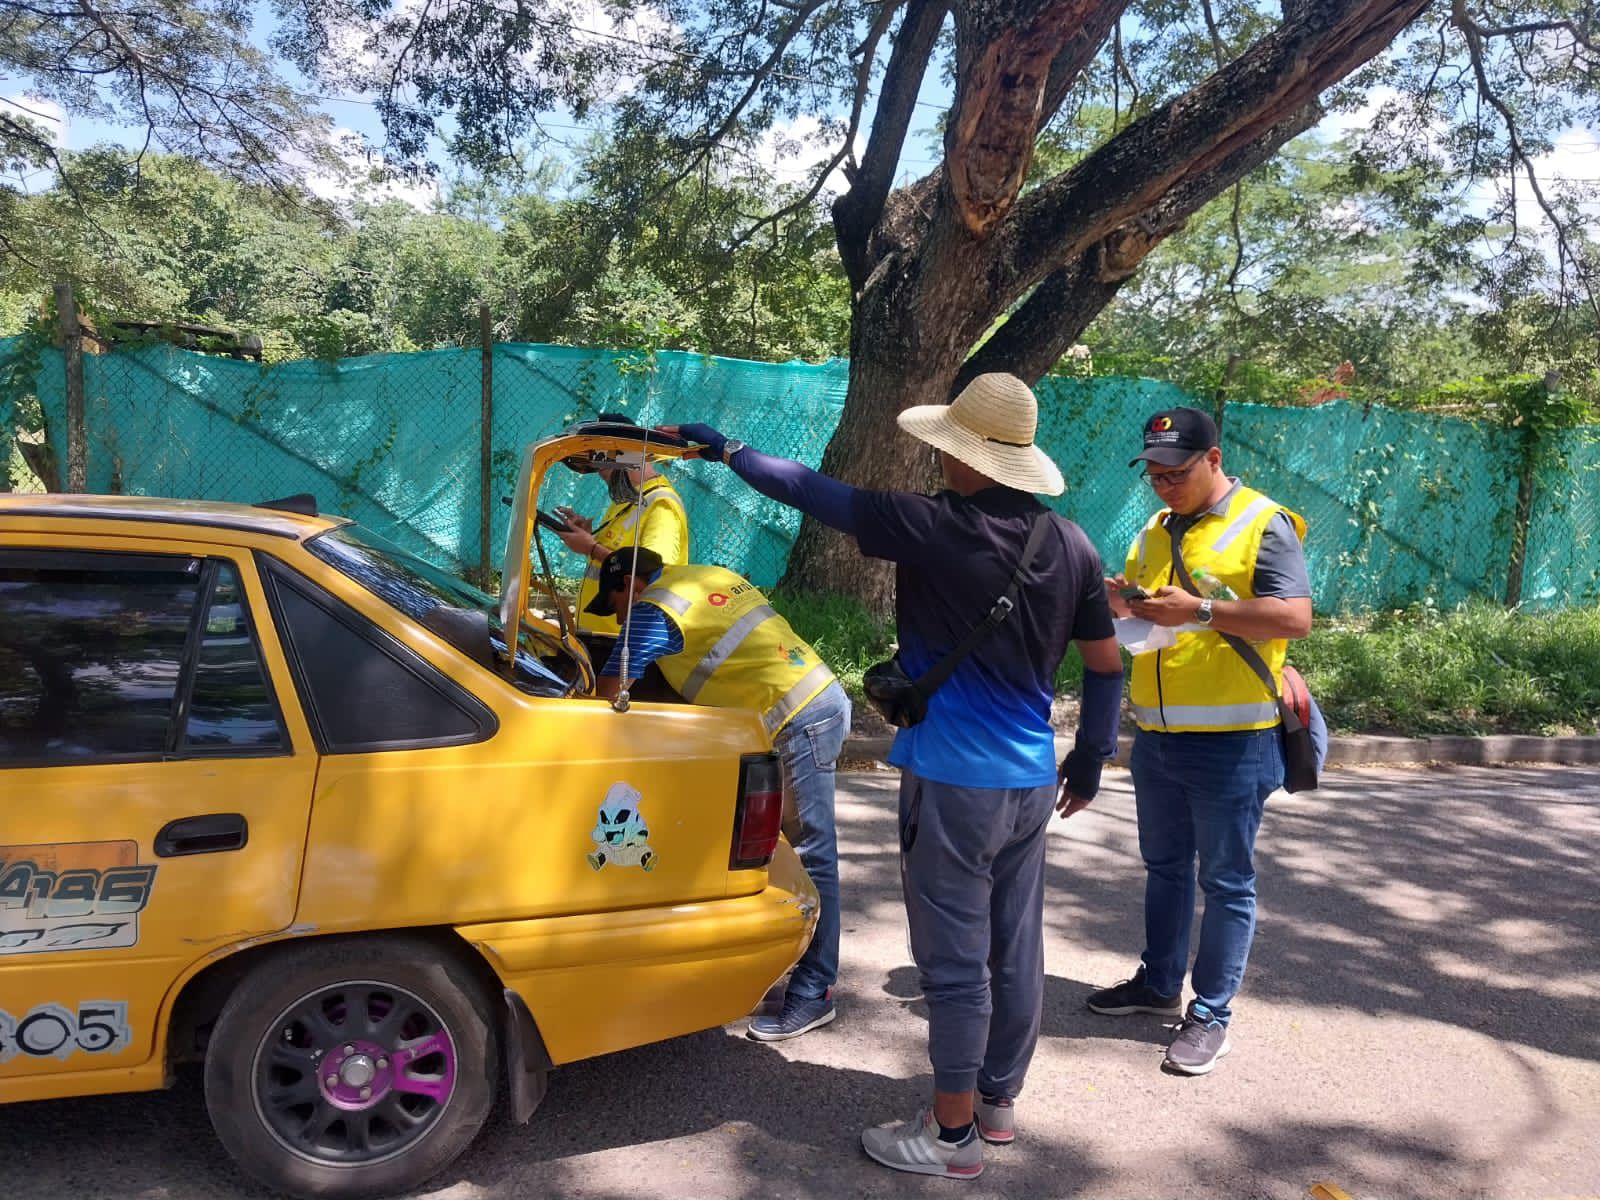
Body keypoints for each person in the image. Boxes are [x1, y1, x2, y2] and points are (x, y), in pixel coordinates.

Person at [665, 372, 1123, 1180]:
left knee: (951, 960)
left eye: (948, 447)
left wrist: (726, 447)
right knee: (1013, 949)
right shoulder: (1074, 543)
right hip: (1028, 780)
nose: (938, 459)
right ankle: (995, 1107)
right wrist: (1088, 761)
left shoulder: (937, 526)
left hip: (953, 781)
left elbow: (813, 492)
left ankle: (950, 1142)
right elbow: (1105, 665)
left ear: (971, 457)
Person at [1086, 405, 1312, 1076]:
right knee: (1163, 870)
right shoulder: (1154, 529)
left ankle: (1210, 1012)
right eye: (1153, 473)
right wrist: (1124, 600)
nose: (1163, 484)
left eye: (1176, 472)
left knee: (1226, 880)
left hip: (1234, 742)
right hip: (1157, 738)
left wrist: (1204, 611)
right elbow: (1143, 607)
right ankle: (1158, 984)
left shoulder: (1262, 523)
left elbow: (1295, 618)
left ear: (1214, 460)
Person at [585, 545, 852, 1043]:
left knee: (814, 855)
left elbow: (611, 688)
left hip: (799, 718)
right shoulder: (701, 575)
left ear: (632, 587)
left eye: (616, 605)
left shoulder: (657, 607)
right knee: (782, 851)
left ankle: (814, 993)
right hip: (814, 703)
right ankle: (797, 974)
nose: (619, 618)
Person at [554, 412, 690, 640]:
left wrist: (591, 547)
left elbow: (651, 579)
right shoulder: (627, 502)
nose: (602, 476)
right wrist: (587, 537)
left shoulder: (661, 506)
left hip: (625, 641)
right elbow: (615, 562)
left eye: (604, 467)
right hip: (600, 635)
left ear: (628, 457)